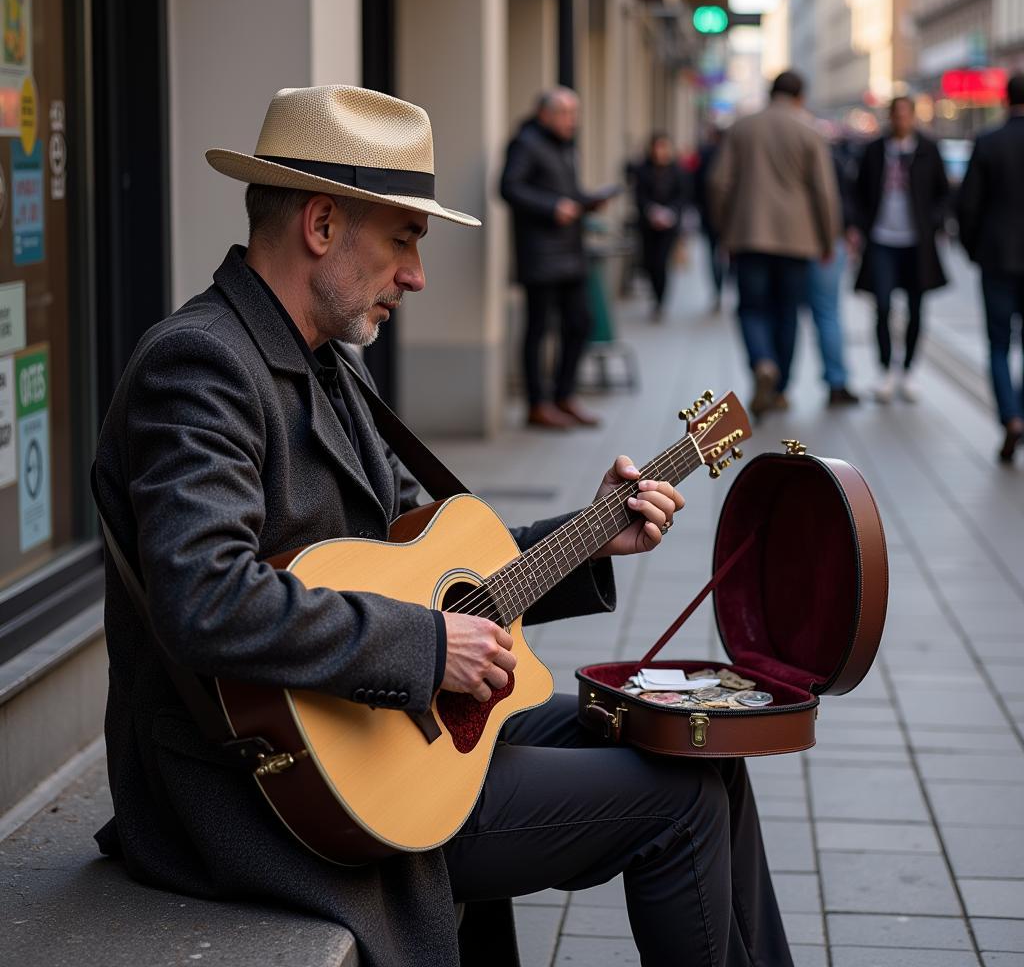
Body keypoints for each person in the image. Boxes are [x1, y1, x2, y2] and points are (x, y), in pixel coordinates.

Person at [91, 85, 792, 967]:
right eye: (404, 240)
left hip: (382, 725)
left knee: (699, 753)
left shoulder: (329, 365)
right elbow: (208, 597)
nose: (417, 276)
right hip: (265, 789)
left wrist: (592, 535)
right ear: (320, 226)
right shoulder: (201, 364)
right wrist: (429, 650)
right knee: (677, 808)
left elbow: (424, 568)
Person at [708, 70, 840, 418]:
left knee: (751, 308)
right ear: (800, 97)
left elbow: (718, 183)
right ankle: (780, 388)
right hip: (797, 241)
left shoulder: (742, 127)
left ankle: (761, 361)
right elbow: (824, 193)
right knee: (788, 312)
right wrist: (828, 240)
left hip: (749, 235)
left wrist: (726, 229)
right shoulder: (809, 131)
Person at [500, 87, 613, 429]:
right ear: (544, 114)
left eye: (574, 113)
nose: (571, 121)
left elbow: (565, 193)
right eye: (565, 113)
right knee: (539, 329)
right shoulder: (526, 143)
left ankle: (564, 396)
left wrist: (587, 200)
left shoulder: (564, 149)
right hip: (541, 256)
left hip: (570, 253)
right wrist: (552, 208)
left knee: (580, 323)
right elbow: (508, 187)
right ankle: (537, 404)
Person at [850, 95, 949, 403]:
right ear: (890, 118)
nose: (902, 121)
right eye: (897, 115)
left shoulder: (928, 150)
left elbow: (943, 193)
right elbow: (858, 191)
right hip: (882, 240)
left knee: (917, 307)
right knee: (882, 305)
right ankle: (885, 370)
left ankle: (908, 370)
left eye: (906, 115)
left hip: (916, 243)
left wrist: (934, 223)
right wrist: (859, 226)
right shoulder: (875, 150)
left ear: (913, 118)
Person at [956, 73, 1024, 464]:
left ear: (1004, 99)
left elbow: (967, 204)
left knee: (999, 343)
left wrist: (973, 248)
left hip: (997, 256)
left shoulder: (988, 142)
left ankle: (1011, 418)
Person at [805, 133, 861, 407]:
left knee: (783, 312)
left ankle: (777, 384)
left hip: (789, 243)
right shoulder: (830, 159)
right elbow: (840, 200)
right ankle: (836, 381)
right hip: (827, 241)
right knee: (827, 313)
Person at [633, 132, 691, 320]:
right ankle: (655, 294)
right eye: (656, 147)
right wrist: (651, 211)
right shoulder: (643, 170)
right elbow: (639, 196)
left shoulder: (677, 171)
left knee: (661, 262)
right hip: (648, 224)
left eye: (663, 147)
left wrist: (670, 213)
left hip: (669, 225)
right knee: (650, 263)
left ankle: (661, 301)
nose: (660, 152)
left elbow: (682, 196)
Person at [693, 124, 729, 311]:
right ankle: (724, 286)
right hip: (731, 218)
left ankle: (717, 290)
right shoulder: (734, 156)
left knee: (713, 253)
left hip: (709, 214)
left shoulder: (705, 153)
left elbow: (697, 184)